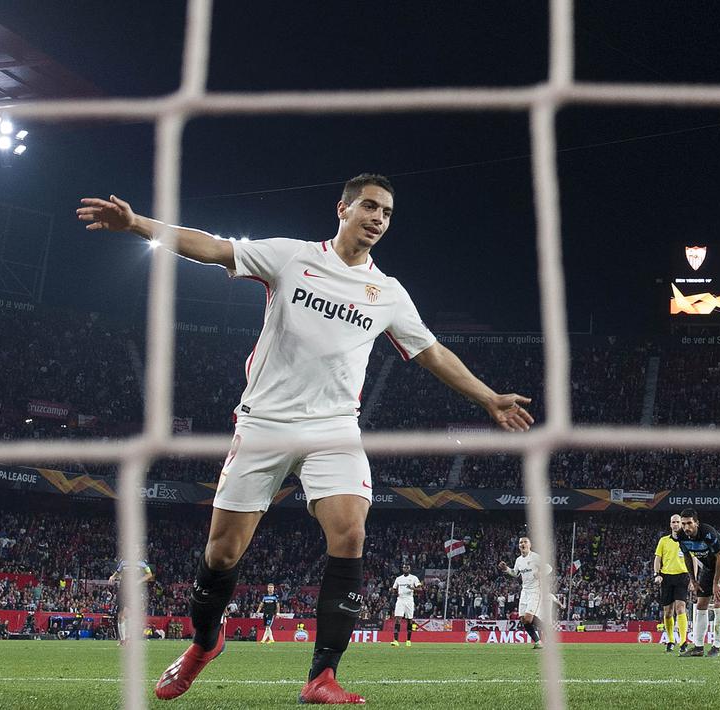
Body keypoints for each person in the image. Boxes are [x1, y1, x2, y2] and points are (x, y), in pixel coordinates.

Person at [78, 174, 534, 705]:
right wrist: (138, 224)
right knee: (222, 553)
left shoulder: (388, 293)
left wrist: (488, 398)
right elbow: (213, 247)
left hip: (335, 427)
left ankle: (322, 676)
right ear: (343, 208)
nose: (378, 218)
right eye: (369, 206)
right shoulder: (291, 257)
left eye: (387, 213)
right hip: (264, 423)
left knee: (351, 534)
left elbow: (431, 351)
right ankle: (204, 642)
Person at [676, 508, 720, 658]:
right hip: (707, 568)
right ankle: (698, 647)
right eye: (683, 524)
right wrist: (693, 580)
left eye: (689, 523)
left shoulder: (708, 533)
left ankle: (716, 647)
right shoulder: (681, 536)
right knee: (701, 604)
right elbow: (687, 557)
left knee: (718, 602)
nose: (686, 527)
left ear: (696, 523)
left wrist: (716, 583)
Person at [499, 536, 549, 650]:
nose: (523, 544)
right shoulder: (518, 560)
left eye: (525, 542)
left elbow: (548, 568)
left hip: (535, 591)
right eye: (521, 542)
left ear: (529, 545)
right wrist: (506, 569)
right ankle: (538, 642)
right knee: (523, 619)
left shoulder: (536, 557)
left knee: (528, 618)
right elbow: (515, 573)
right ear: (518, 546)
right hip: (524, 591)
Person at [652, 513, 690, 652]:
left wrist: (694, 579)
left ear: (682, 524)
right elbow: (657, 558)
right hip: (667, 577)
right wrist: (657, 574)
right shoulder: (663, 541)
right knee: (668, 612)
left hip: (682, 576)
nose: (675, 524)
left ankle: (683, 641)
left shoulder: (688, 541)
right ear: (670, 524)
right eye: (673, 522)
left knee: (680, 608)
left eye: (678, 522)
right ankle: (670, 640)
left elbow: (693, 560)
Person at [109, 555, 156, 645]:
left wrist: (139, 581)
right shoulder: (123, 563)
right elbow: (118, 572)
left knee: (128, 614)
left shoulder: (141, 563)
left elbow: (149, 574)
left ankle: (127, 638)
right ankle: (123, 639)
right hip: (122, 590)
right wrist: (112, 576)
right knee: (120, 615)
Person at [390, 563, 422, 647]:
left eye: (407, 567)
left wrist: (412, 588)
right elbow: (394, 588)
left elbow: (420, 589)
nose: (406, 569)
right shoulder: (398, 579)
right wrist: (393, 591)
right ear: (402, 568)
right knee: (398, 619)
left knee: (409, 619)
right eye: (404, 567)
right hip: (400, 599)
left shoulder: (414, 578)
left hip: (409, 599)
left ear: (410, 569)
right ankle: (396, 641)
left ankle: (408, 640)